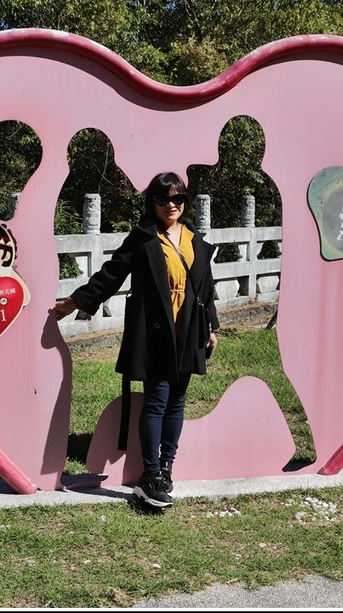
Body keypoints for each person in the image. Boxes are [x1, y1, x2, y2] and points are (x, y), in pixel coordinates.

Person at [52, 172, 219, 508]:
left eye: (177, 198)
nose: (171, 205)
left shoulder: (194, 238)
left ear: (185, 202)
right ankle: (150, 474)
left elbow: (205, 287)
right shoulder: (143, 238)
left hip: (188, 328)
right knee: (157, 399)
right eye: (163, 199)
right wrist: (74, 302)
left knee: (177, 401)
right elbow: (111, 274)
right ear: (152, 202)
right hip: (156, 329)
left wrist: (211, 327)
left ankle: (167, 469)